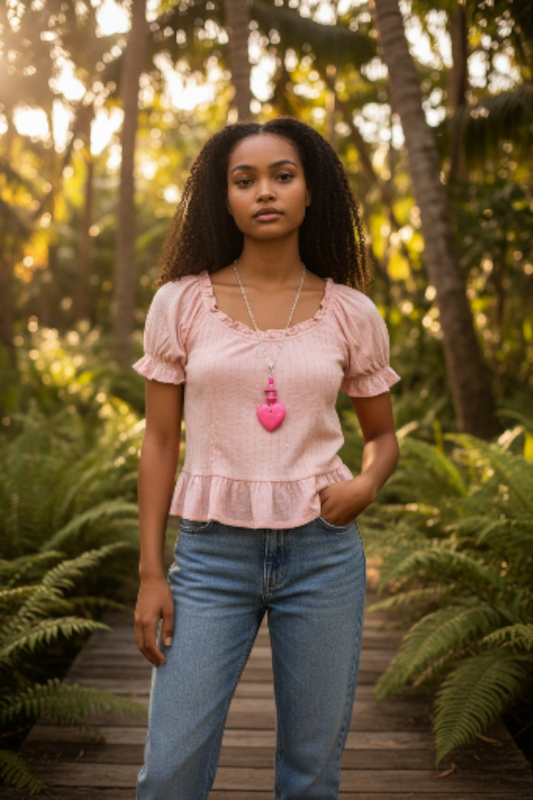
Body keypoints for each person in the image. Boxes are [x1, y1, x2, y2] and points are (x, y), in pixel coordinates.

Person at [132, 117, 400, 800]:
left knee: (310, 777)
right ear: (222, 199)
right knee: (169, 774)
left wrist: (367, 484)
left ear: (311, 192)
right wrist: (150, 573)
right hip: (209, 558)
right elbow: (160, 442)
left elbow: (381, 436)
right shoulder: (181, 303)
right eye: (243, 180)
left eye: (283, 175)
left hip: (323, 556)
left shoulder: (352, 313)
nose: (265, 192)